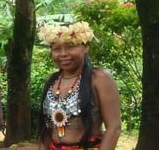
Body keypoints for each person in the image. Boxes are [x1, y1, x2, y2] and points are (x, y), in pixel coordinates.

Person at [36, 22, 121, 150]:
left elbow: (114, 127)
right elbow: (47, 130)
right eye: (56, 49)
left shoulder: (99, 78)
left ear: (86, 46)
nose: (63, 54)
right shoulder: (52, 81)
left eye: (70, 46)